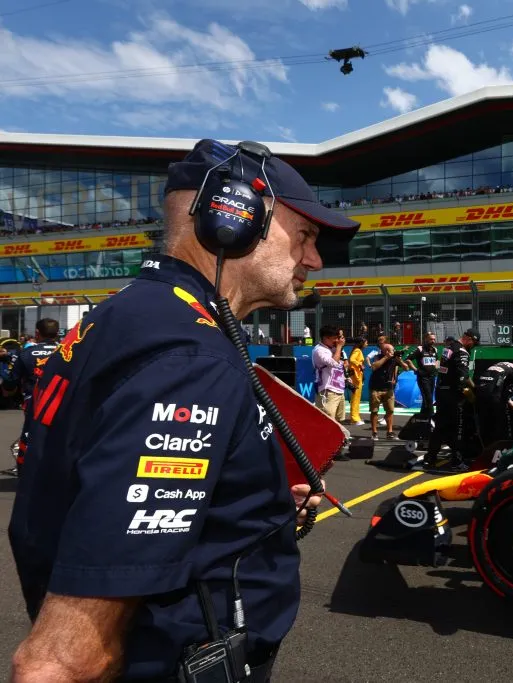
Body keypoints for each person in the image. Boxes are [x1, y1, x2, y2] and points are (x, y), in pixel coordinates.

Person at [8, 138, 359, 682]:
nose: (313, 259)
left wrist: (253, 505)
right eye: (306, 236)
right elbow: (62, 658)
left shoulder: (130, 315)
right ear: (233, 219)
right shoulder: (191, 356)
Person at [1, 318, 61, 474]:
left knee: (32, 436)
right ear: (57, 333)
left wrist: (9, 391)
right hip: (63, 401)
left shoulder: (26, 353)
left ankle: (27, 471)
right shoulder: (68, 351)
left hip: (35, 402)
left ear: (37, 333)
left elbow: (10, 383)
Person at [421, 328, 479, 472]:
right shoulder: (462, 352)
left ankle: (430, 458)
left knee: (440, 427)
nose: (473, 346)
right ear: (469, 339)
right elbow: (463, 377)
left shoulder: (449, 347)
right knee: (458, 427)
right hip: (453, 395)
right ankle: (457, 462)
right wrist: (473, 391)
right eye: (474, 343)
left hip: (441, 391)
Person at [312, 324, 348, 426]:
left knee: (339, 421)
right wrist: (339, 346)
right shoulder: (319, 350)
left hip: (339, 389)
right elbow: (333, 363)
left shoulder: (332, 348)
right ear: (325, 338)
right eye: (334, 338)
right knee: (327, 421)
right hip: (328, 391)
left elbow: (343, 363)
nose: (336, 340)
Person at [369, 340, 404, 440]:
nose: (393, 351)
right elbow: (374, 367)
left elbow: (405, 368)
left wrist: (400, 360)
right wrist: (386, 357)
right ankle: (374, 432)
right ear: (386, 351)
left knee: (390, 411)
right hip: (376, 388)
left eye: (393, 350)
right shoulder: (378, 357)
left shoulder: (394, 359)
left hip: (389, 388)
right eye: (391, 350)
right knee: (374, 411)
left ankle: (390, 432)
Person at [405, 331, 439, 418]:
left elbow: (437, 360)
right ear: (426, 339)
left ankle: (423, 415)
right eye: (431, 339)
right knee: (428, 397)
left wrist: (435, 368)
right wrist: (415, 369)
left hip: (432, 376)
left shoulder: (435, 349)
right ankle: (431, 416)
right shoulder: (420, 349)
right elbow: (408, 359)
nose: (433, 341)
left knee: (428, 397)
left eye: (434, 339)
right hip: (423, 377)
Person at [347, 336, 366, 425]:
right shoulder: (357, 350)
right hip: (356, 377)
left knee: (356, 398)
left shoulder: (357, 350)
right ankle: (355, 418)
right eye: (366, 342)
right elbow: (352, 359)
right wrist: (359, 364)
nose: (367, 344)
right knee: (356, 398)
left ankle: (355, 417)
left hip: (357, 376)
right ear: (361, 343)